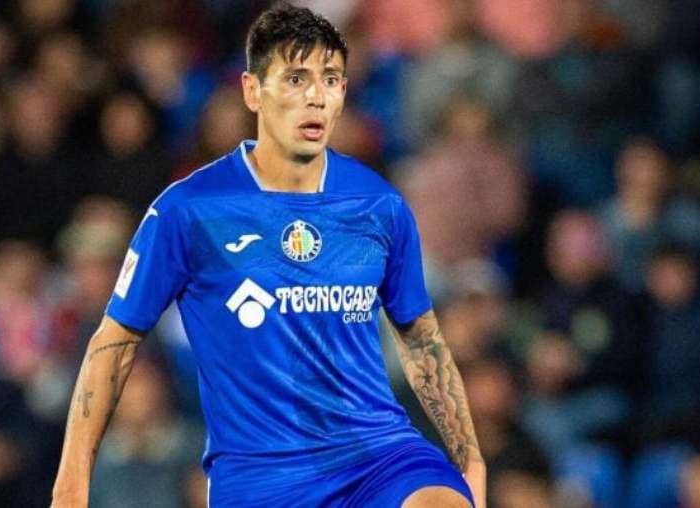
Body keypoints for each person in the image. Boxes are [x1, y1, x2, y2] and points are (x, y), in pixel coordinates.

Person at [51, 4, 486, 507]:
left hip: (378, 456)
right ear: (252, 91)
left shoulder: (379, 204)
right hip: (262, 475)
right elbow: (115, 343)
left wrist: (470, 461)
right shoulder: (190, 209)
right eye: (296, 79)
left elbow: (422, 339)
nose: (316, 96)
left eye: (330, 79)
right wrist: (70, 486)